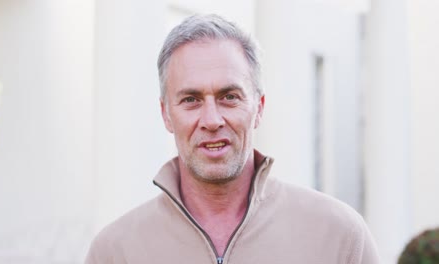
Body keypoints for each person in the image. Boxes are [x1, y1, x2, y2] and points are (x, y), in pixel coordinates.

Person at [85, 14, 380, 264]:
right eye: (191, 99)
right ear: (165, 114)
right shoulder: (116, 252)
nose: (212, 120)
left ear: (259, 108)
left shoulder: (339, 237)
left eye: (229, 97)